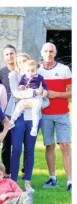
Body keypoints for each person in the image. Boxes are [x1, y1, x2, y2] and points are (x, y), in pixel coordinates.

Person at [4, 53, 44, 192]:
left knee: (29, 150)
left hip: (33, 118)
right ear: (16, 63)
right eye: (19, 61)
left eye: (25, 61)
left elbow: (45, 97)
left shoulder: (37, 76)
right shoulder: (14, 76)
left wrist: (37, 102)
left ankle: (27, 181)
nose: (22, 63)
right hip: (19, 117)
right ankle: (13, 181)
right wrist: (33, 95)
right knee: (16, 149)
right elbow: (16, 93)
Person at [38, 42, 72, 191]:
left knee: (64, 145)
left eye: (51, 51)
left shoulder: (64, 69)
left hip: (62, 114)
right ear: (41, 53)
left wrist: (55, 94)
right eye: (46, 51)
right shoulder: (37, 71)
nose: (48, 54)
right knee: (49, 146)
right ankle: (52, 178)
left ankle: (70, 181)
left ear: (55, 53)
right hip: (44, 115)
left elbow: (71, 92)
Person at [9, 60, 48, 137]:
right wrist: (21, 87)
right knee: (19, 106)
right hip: (27, 94)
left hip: (37, 96)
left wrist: (45, 91)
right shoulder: (24, 77)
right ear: (25, 70)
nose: (30, 73)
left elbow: (44, 86)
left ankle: (34, 128)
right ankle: (12, 121)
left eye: (33, 71)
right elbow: (21, 85)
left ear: (36, 70)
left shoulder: (39, 77)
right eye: (28, 71)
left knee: (35, 111)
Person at [0, 45, 17, 177]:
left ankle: (21, 170)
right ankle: (7, 171)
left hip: (21, 112)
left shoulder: (21, 71)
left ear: (15, 54)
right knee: (6, 144)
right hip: (6, 114)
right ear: (4, 57)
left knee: (20, 145)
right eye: (7, 54)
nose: (10, 56)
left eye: (11, 53)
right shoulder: (1, 73)